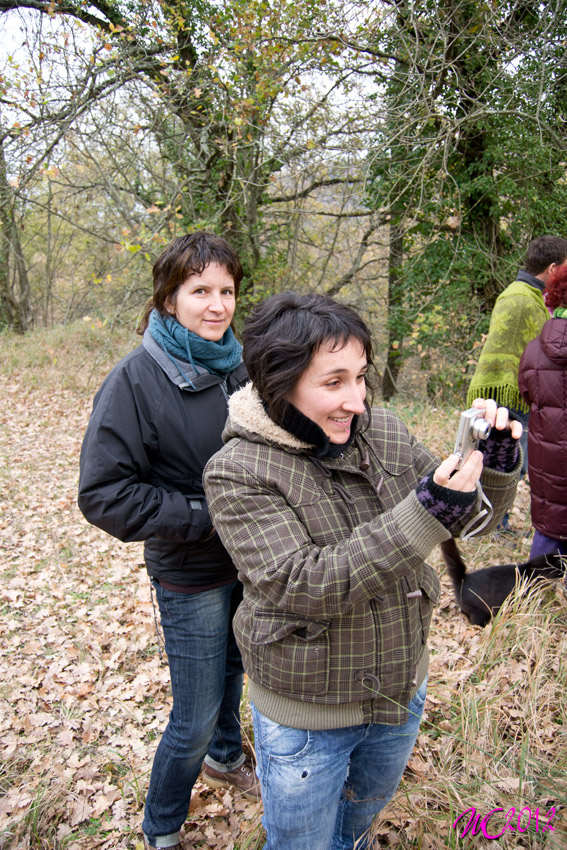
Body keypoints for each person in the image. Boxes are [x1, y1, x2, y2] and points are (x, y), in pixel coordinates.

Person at [203, 291, 522, 850]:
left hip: (400, 691)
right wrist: (425, 512)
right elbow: (301, 584)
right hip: (308, 718)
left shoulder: (383, 430)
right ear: (279, 383)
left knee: (358, 826)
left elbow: (469, 524)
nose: (355, 400)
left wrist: (492, 467)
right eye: (333, 382)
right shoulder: (238, 471)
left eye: (361, 377)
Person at [77, 232, 260, 850]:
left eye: (227, 290)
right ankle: (160, 827)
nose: (217, 305)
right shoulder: (134, 380)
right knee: (194, 716)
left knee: (237, 668)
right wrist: (202, 515)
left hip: (251, 560)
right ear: (169, 297)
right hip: (191, 570)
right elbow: (103, 492)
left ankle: (228, 757)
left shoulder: (237, 364)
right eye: (200, 290)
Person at [467, 234, 567, 476]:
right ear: (552, 268)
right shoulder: (525, 300)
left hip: (506, 393)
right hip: (509, 397)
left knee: (502, 467)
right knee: (505, 470)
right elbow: (541, 355)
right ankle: (496, 514)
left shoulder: (520, 292)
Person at [519, 264, 567, 560]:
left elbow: (527, 395)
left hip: (548, 464)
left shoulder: (534, 349)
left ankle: (533, 600)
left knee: (549, 534)